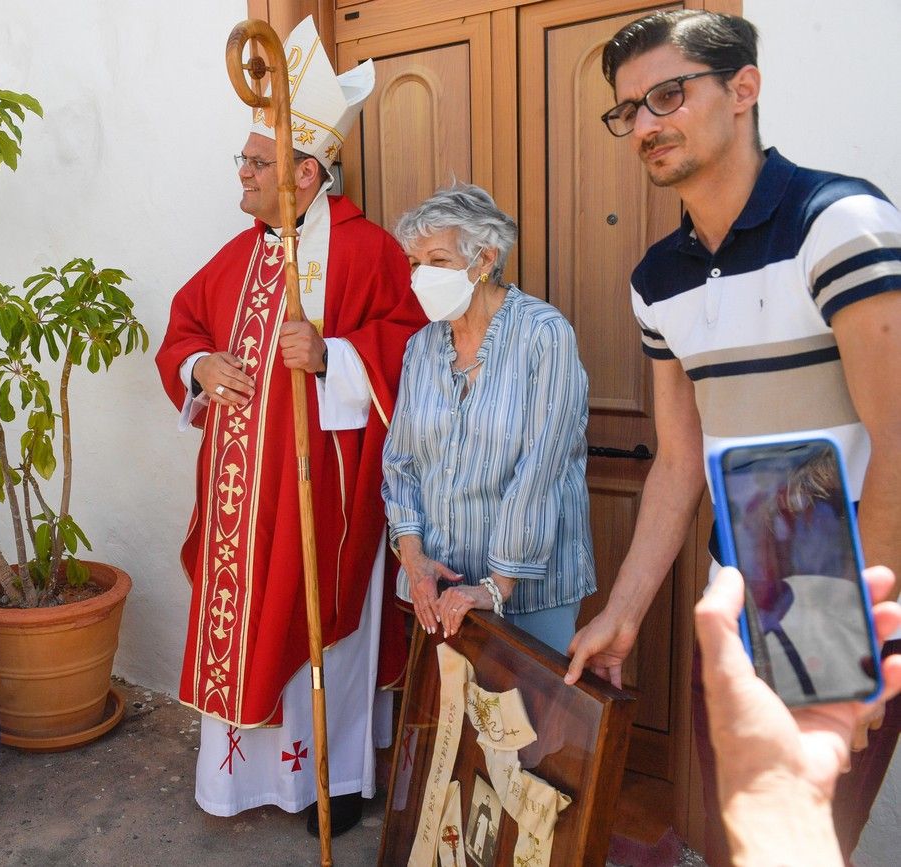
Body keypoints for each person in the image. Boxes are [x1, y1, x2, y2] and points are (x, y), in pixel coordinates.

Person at [562, 10, 901, 862]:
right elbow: (678, 461)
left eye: (667, 95)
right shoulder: (656, 280)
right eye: (628, 108)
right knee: (732, 839)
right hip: (735, 599)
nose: (644, 124)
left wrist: (847, 646)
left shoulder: (838, 223)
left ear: (744, 88)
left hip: (839, 602)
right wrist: (625, 612)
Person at [155, 16, 425, 836]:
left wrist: (336, 356)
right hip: (245, 498)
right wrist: (200, 368)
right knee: (246, 620)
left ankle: (334, 784)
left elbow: (413, 346)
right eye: (245, 158)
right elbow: (183, 328)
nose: (242, 171)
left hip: (325, 496)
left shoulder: (368, 249)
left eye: (257, 161)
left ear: (305, 173)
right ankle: (240, 782)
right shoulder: (241, 254)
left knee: (324, 628)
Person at [382, 184, 595, 652]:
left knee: (530, 724)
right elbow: (401, 464)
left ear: (483, 260)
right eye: (415, 264)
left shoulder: (544, 335)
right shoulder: (422, 346)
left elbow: (541, 469)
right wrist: (414, 560)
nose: (420, 277)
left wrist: (496, 585)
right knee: (456, 724)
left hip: (532, 593)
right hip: (439, 591)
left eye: (437, 261)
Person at [696, 564, 901, 866]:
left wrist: (847, 661)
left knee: (820, 824)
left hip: (835, 642)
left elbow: (890, 515)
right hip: (754, 622)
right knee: (731, 835)